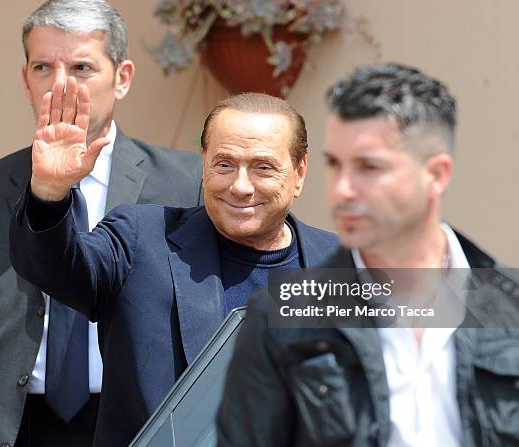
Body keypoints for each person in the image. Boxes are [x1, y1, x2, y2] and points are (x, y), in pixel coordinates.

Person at [0, 1, 203, 446]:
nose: (61, 85)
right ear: (26, 79)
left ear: (121, 78)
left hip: (136, 430)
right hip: (10, 432)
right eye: (43, 67)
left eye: (82, 67)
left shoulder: (184, 185)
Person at [8, 88, 338, 446]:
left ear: (299, 172)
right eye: (224, 164)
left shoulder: (339, 264)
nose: (241, 186)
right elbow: (57, 268)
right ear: (204, 163)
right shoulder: (143, 239)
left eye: (263, 167)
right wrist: (48, 193)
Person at [216, 63, 519, 447]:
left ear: (437, 175)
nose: (342, 190)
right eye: (335, 164)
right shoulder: (281, 316)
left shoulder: (510, 305)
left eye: (368, 167)